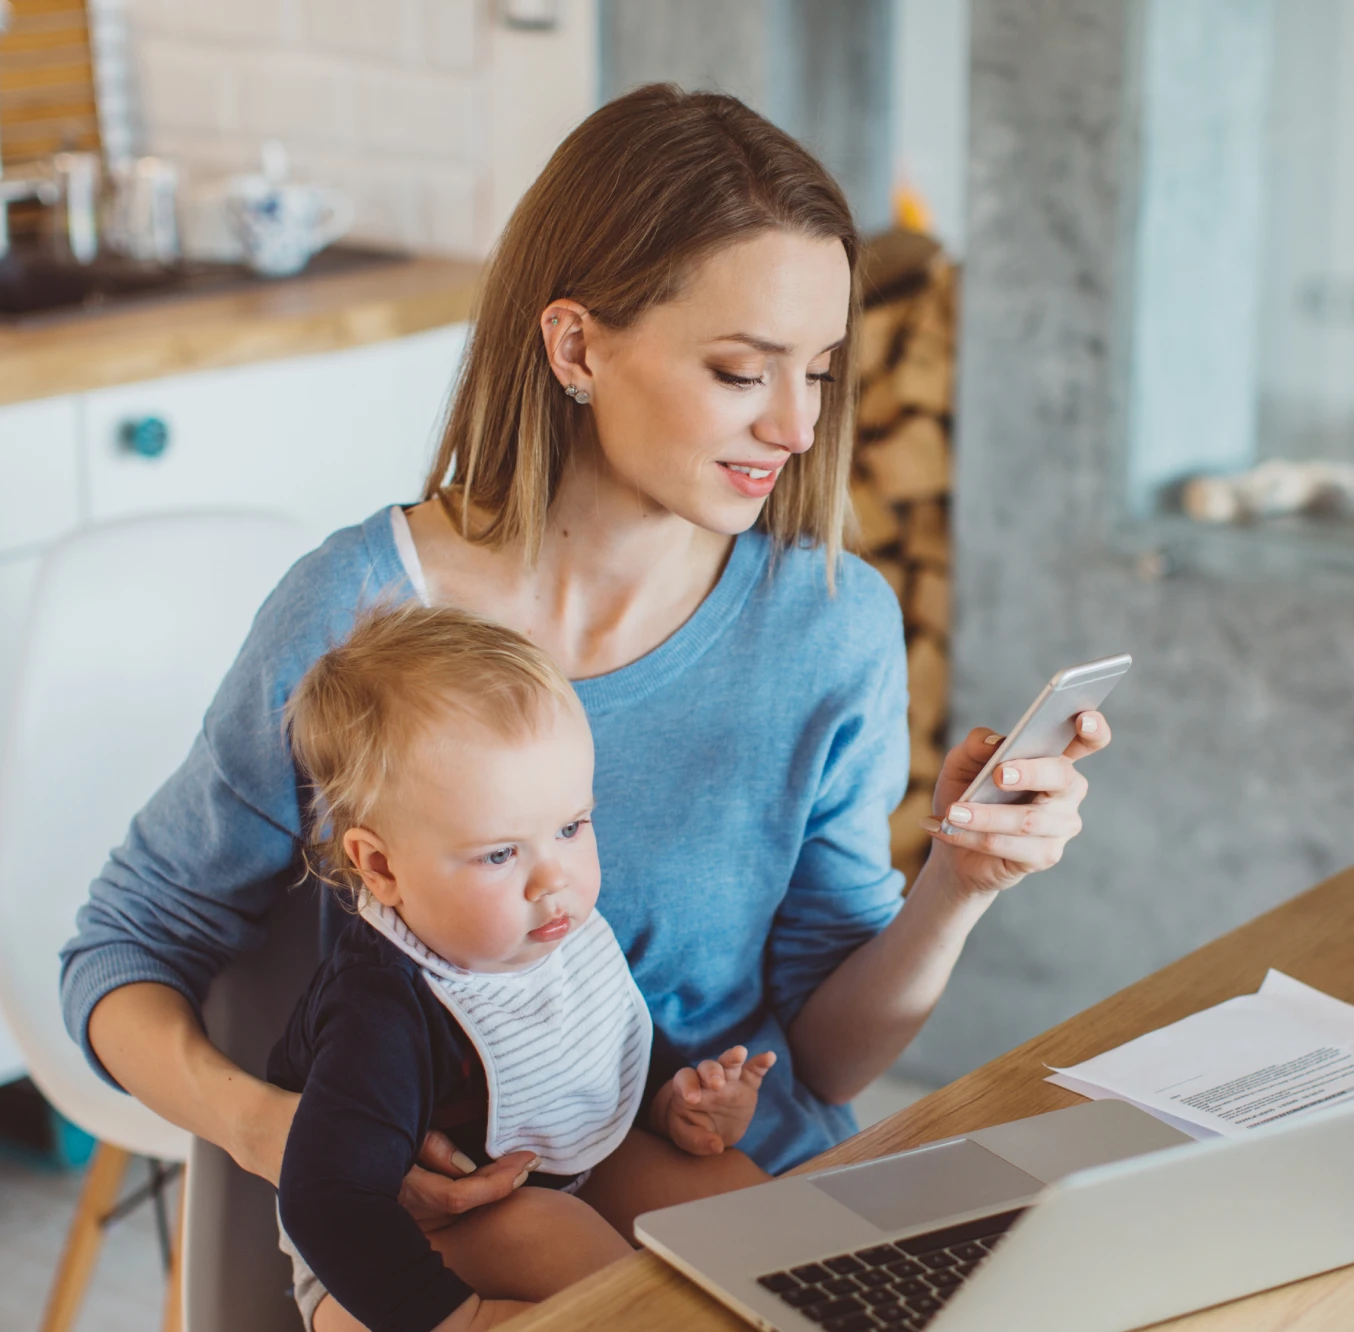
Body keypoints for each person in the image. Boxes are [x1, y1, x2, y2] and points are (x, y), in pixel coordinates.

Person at [62, 83, 1110, 1328]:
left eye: (818, 371)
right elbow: (122, 949)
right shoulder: (355, 614)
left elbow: (823, 1064)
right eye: (740, 370)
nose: (794, 424)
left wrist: (958, 884)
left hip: (737, 1193)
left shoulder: (830, 622)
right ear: (575, 347)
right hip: (459, 1227)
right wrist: (274, 1130)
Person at [271, 603, 775, 1331]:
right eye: (501, 853)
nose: (554, 879)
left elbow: (595, 1049)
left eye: (571, 827)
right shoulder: (382, 1006)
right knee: (568, 1245)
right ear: (381, 867)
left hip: (552, 1175)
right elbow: (328, 1203)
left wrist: (676, 1106)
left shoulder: (544, 925)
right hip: (381, 1257)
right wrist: (459, 1317)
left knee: (730, 1193)